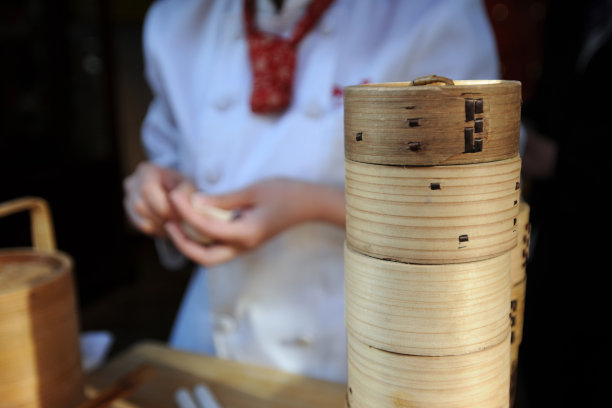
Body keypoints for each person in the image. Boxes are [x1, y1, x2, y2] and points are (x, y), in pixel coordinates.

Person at [123, 0, 501, 383]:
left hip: (358, 347)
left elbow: (467, 212)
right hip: (211, 337)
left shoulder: (433, 14)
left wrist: (311, 204)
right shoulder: (175, 21)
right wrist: (157, 196)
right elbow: (171, 157)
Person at [519, 1, 612, 406]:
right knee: (544, 361)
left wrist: (562, 160)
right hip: (556, 230)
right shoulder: (569, 13)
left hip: (596, 219)